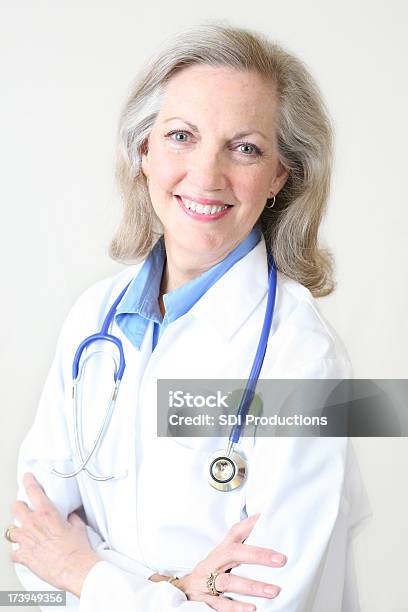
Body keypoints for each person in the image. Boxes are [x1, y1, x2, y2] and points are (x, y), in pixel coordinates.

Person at [5, 23, 369, 612]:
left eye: (245, 147)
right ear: (143, 151)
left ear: (280, 176)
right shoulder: (92, 321)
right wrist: (175, 589)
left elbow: (268, 602)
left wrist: (89, 574)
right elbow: (33, 543)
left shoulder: (303, 358)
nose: (206, 174)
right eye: (181, 136)